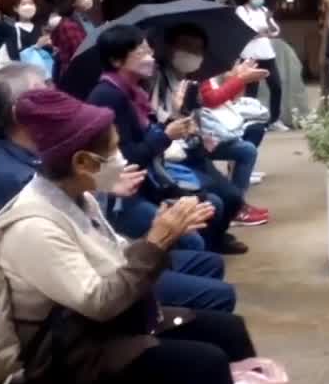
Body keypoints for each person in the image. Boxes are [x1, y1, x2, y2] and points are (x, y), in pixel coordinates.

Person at [0, 88, 285, 384]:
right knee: (205, 365)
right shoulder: (33, 226)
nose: (121, 157)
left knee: (229, 329)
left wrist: (161, 236)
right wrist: (157, 241)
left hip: (102, 328)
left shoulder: (75, 198)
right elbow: (99, 303)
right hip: (70, 354)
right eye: (113, 150)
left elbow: (117, 257)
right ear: (83, 162)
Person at [0, 64, 236, 311]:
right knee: (217, 299)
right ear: (20, 112)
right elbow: (76, 276)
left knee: (207, 261)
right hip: (85, 291)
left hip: (106, 255)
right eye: (45, 89)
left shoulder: (33, 153)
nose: (56, 93)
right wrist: (151, 238)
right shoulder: (10, 179)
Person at [86, 25, 247, 255]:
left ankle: (201, 262)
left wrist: (173, 119)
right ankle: (185, 273)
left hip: (151, 181)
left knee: (215, 203)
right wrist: (165, 135)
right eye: (141, 53)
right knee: (194, 236)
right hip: (124, 196)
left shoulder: (133, 92)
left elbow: (151, 137)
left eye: (149, 51)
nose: (150, 58)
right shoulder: (108, 96)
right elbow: (128, 158)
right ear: (116, 60)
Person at [154, 23, 271, 225]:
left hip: (197, 140)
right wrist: (239, 79)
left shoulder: (199, 72)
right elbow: (211, 100)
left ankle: (235, 208)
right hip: (176, 151)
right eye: (188, 48)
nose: (194, 54)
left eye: (198, 49)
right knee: (222, 193)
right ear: (172, 48)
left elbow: (212, 103)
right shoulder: (160, 79)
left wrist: (235, 77)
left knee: (250, 142)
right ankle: (234, 210)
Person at [236, 0, 285, 129]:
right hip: (250, 56)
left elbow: (275, 31)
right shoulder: (242, 10)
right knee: (251, 91)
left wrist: (268, 22)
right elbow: (247, 31)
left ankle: (274, 120)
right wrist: (262, 32)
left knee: (276, 86)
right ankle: (251, 122)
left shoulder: (264, 11)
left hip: (267, 54)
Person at [0, 0, 49, 67]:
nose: (28, 7)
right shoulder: (11, 28)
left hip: (36, 70)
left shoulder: (39, 28)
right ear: (15, 8)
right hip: (19, 71)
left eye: (31, 3)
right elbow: (13, 54)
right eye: (23, 4)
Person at [50, 0, 94, 80]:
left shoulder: (84, 18)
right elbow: (81, 52)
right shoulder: (68, 25)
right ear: (71, 0)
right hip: (78, 76)